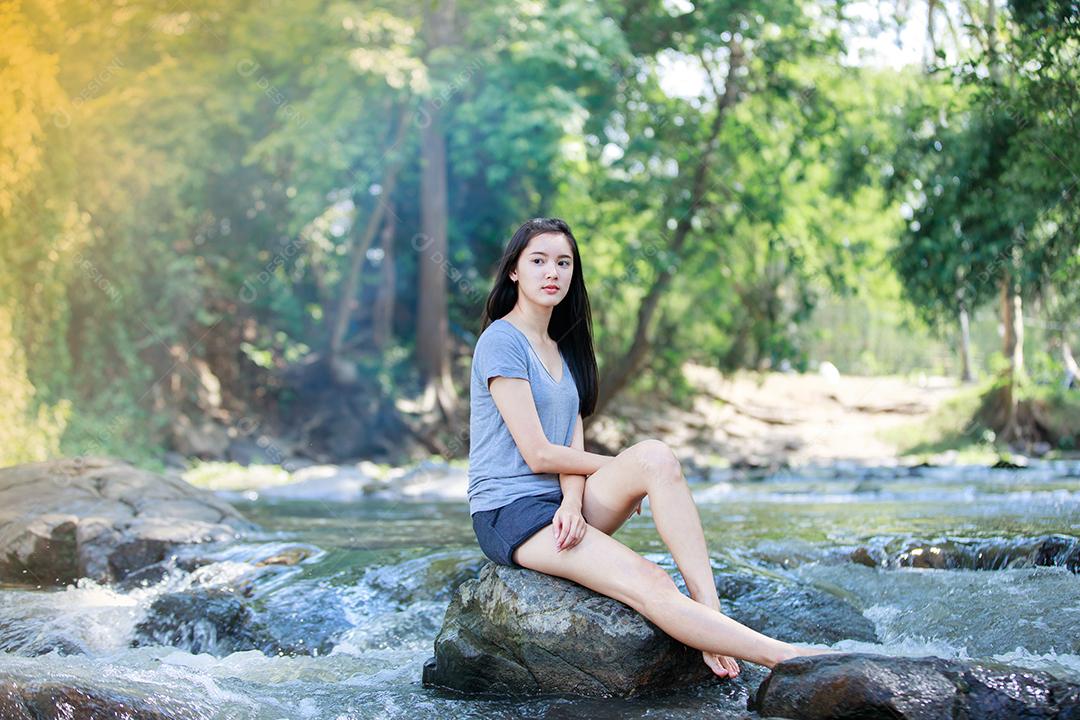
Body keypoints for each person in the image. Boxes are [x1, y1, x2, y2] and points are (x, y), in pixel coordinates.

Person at [468, 217, 829, 679]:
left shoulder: (563, 347)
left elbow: (570, 444)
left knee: (656, 456)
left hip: (560, 504)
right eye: (538, 261)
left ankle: (709, 610)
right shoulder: (501, 341)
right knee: (651, 580)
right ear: (514, 270)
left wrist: (574, 503)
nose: (552, 272)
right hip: (509, 510)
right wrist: (616, 467)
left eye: (563, 262)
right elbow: (539, 453)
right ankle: (787, 658)